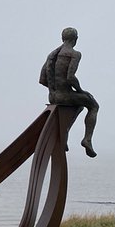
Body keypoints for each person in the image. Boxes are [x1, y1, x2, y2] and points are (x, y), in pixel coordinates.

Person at [40, 26, 99, 157]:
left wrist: (54, 89)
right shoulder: (74, 54)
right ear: (75, 39)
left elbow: (42, 78)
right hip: (64, 95)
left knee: (79, 106)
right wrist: (81, 91)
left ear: (62, 38)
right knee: (93, 105)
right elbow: (70, 77)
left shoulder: (52, 55)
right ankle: (87, 139)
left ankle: (64, 134)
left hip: (53, 96)